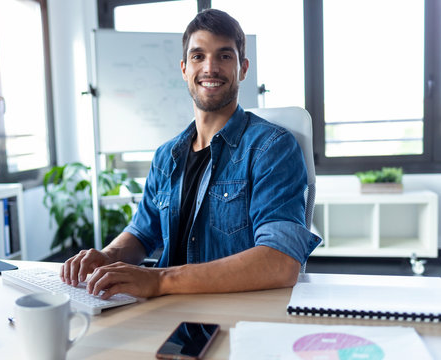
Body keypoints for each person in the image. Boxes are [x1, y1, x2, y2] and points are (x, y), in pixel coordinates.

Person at [60, 9, 320, 299]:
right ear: (184, 68)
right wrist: (107, 257)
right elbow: (142, 233)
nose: (210, 68)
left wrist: (159, 280)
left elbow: (280, 263)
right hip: (164, 312)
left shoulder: (271, 148)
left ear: (243, 68)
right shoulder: (166, 156)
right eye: (198, 56)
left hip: (228, 318)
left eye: (224, 56)